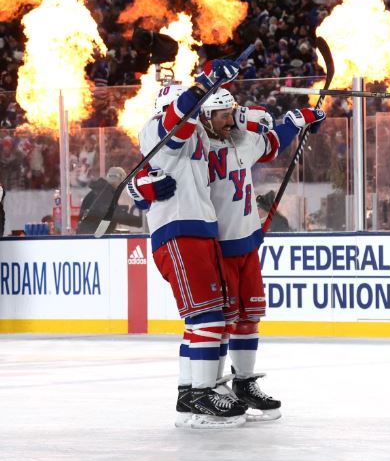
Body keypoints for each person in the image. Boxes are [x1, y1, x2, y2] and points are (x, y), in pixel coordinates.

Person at [135, 60, 248, 428]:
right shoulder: (158, 129)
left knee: (205, 316)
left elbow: (223, 127)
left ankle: (191, 392)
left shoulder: (196, 134)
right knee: (206, 317)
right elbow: (177, 119)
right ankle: (200, 396)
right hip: (180, 233)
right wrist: (206, 81)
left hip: (201, 231)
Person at [201, 87, 323, 422]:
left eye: (231, 113)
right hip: (219, 246)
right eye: (222, 115)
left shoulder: (243, 141)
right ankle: (211, 387)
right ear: (205, 116)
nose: (230, 120)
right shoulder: (196, 149)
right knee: (221, 321)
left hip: (247, 243)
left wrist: (298, 121)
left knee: (248, 317)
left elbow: (274, 141)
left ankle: (243, 383)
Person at [76, 168, 144, 235]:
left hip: (87, 235)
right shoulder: (106, 194)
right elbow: (117, 215)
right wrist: (141, 221)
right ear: (121, 180)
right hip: (92, 237)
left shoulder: (98, 191)